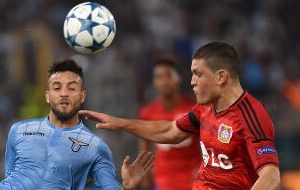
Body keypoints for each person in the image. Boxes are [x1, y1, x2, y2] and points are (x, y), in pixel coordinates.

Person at [79, 41, 281, 189]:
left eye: (198, 74)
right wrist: (121, 123)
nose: (192, 81)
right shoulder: (205, 109)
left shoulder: (251, 115)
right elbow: (170, 130)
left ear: (221, 76)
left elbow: (271, 175)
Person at [0, 58, 154, 190]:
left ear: (82, 96)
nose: (64, 93)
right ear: (48, 96)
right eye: (57, 88)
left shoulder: (96, 148)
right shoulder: (19, 131)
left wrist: (127, 187)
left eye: (72, 88)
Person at [138, 56, 201, 190]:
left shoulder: (194, 109)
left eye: (169, 75)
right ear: (154, 81)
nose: (164, 81)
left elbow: (208, 142)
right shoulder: (148, 113)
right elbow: (145, 145)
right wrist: (144, 174)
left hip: (193, 179)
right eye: (159, 77)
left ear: (178, 78)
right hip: (163, 180)